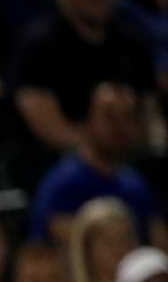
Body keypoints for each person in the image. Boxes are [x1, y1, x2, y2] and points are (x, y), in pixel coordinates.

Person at [12, 0, 161, 157]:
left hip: (127, 163)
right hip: (54, 163)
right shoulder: (40, 44)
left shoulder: (132, 42)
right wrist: (101, 154)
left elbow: (148, 116)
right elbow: (47, 128)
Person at [29, 85, 164, 247]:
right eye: (109, 117)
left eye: (127, 117)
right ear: (86, 120)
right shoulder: (63, 185)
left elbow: (160, 245)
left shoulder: (136, 185)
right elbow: (80, 256)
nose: (120, 127)